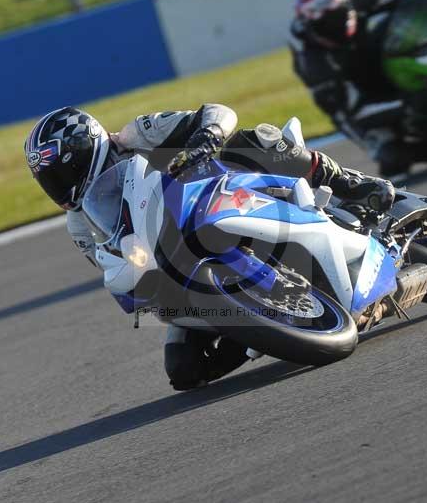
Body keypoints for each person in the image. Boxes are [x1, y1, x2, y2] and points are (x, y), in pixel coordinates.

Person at [24, 104, 394, 390]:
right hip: (178, 264)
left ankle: (352, 184)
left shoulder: (139, 133)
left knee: (255, 140)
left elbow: (219, 113)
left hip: (223, 196)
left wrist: (207, 136)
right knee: (184, 370)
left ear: (85, 147)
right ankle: (261, 328)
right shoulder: (79, 220)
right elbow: (109, 260)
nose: (59, 188)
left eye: (61, 173)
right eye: (49, 181)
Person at [290, 0, 427, 175]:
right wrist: (409, 102)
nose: (335, 25)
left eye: (339, 14)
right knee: (394, 157)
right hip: (361, 109)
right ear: (311, 24)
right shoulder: (314, 62)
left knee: (398, 27)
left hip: (375, 66)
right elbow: (352, 110)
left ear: (345, 4)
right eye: (326, 23)